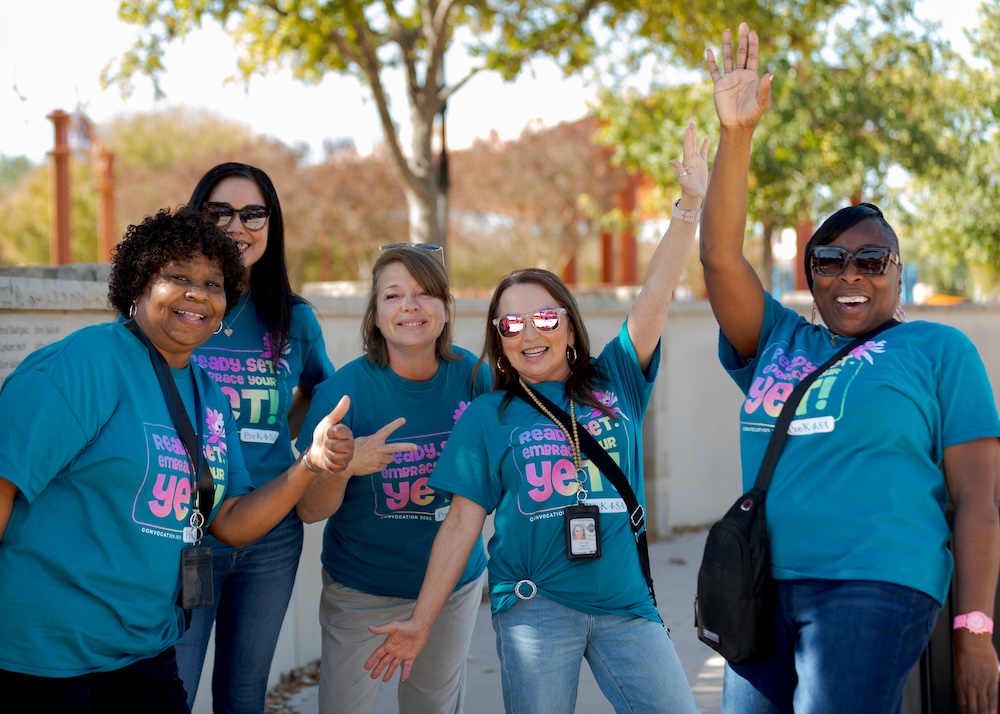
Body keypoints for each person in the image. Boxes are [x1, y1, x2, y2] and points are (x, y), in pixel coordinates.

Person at [700, 22, 1000, 714]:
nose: (850, 277)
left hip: (876, 584)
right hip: (758, 587)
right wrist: (736, 134)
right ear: (810, 278)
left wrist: (975, 631)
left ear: (898, 273)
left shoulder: (936, 350)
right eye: (829, 264)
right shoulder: (777, 340)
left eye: (872, 261)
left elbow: (979, 502)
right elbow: (720, 258)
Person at [364, 123, 709, 714]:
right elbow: (459, 526)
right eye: (510, 324)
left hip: (628, 607)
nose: (528, 333)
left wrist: (689, 208)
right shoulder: (487, 416)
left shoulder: (617, 379)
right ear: (499, 340)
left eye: (545, 319)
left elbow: (655, 293)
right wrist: (421, 621)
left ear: (571, 327)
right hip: (535, 609)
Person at [0, 206, 353, 713]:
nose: (197, 294)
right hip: (46, 655)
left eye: (213, 284)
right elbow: (5, 483)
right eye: (178, 277)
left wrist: (310, 464)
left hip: (144, 649)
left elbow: (229, 520)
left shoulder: (208, 394)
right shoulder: (87, 362)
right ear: (139, 285)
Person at [295, 244, 491, 713]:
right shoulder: (342, 394)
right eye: (393, 295)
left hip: (450, 588)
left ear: (445, 308)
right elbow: (309, 510)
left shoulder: (478, 378)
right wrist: (343, 467)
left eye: (424, 293)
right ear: (376, 315)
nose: (410, 305)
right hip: (362, 590)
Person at [173, 163, 337, 713]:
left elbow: (325, 391)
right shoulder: (179, 310)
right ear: (197, 219)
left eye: (252, 213)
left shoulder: (294, 319)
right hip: (185, 529)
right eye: (219, 212)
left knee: (244, 696)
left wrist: (289, 436)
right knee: (174, 688)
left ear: (272, 224)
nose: (236, 226)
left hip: (272, 530)